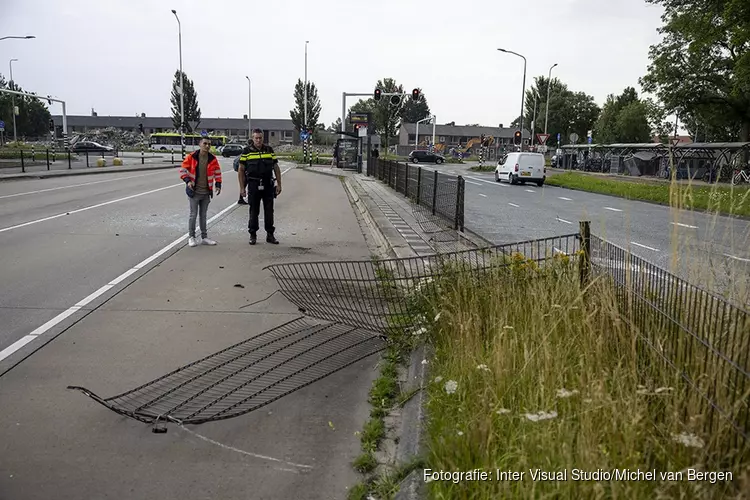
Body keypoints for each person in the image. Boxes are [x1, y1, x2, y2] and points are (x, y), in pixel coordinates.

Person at [238, 129, 282, 245]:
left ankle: (270, 235)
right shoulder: (246, 151)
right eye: (256, 138)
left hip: (268, 184)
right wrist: (242, 188)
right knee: (253, 211)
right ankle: (253, 235)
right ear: (252, 138)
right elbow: (241, 170)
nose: (258, 140)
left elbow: (276, 167)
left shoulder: (269, 150)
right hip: (253, 184)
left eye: (260, 138)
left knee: (269, 211)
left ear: (263, 138)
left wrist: (279, 184)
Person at [180, 137, 222, 247]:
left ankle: (204, 237)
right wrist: (187, 181)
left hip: (206, 192)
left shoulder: (212, 158)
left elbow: (217, 172)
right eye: (205, 143)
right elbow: (183, 170)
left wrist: (218, 185)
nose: (207, 146)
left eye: (209, 144)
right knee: (193, 215)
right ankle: (191, 237)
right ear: (200, 144)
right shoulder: (192, 156)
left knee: (203, 215)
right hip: (194, 192)